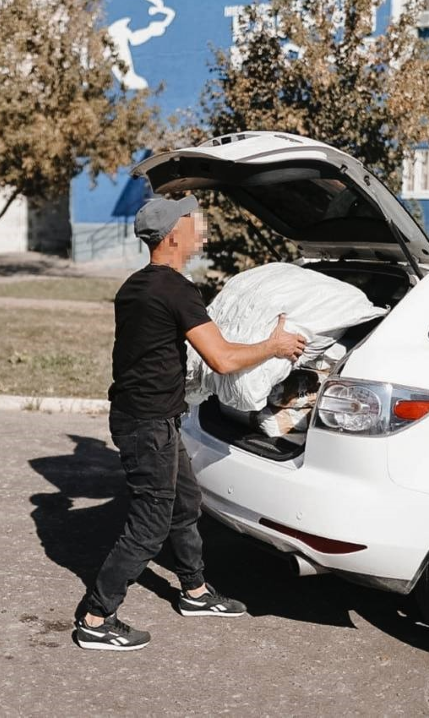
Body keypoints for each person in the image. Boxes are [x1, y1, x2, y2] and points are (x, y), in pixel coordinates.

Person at [75, 195, 306, 651]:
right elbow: (221, 359)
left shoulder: (136, 285)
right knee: (150, 522)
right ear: (173, 235)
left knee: (185, 501)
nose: (199, 225)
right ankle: (96, 616)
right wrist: (275, 346)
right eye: (191, 218)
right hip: (148, 424)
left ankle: (195, 592)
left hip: (144, 417)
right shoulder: (175, 289)